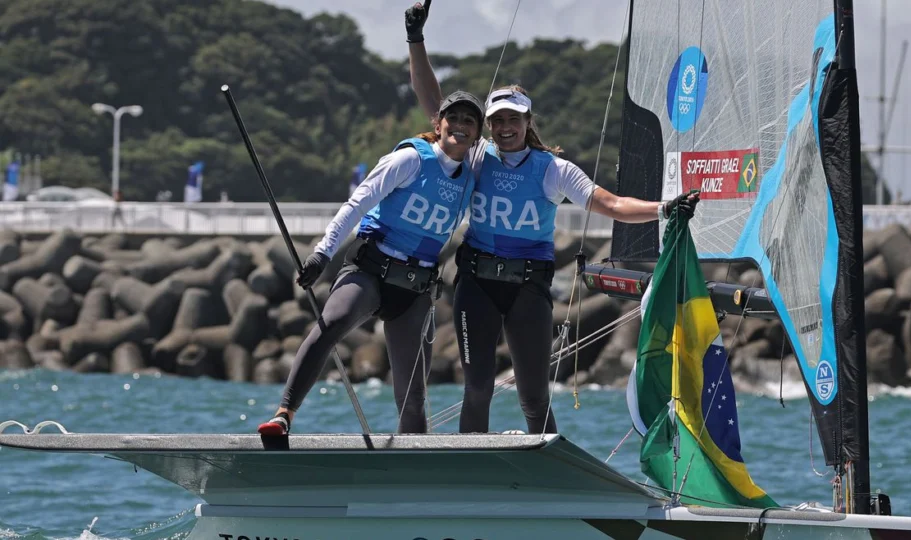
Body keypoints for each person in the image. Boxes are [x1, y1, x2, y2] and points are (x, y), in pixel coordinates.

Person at [404, 1, 700, 435]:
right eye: (498, 120)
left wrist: (664, 209)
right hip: (477, 285)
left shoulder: (552, 169)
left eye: (514, 120)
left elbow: (611, 204)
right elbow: (433, 101)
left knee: (534, 395)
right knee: (478, 389)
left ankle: (548, 466)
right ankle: (470, 467)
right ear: (488, 126)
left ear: (527, 122)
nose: (505, 127)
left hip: (528, 287)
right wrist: (416, 39)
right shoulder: (479, 156)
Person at [258, 90, 485, 435]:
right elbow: (357, 204)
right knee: (331, 323)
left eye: (469, 120)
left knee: (412, 397)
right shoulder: (409, 160)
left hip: (415, 289)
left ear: (477, 134)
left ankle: (414, 463)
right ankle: (283, 415)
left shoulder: (473, 176)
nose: (460, 125)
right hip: (371, 271)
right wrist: (322, 254)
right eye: (452, 117)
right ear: (438, 123)